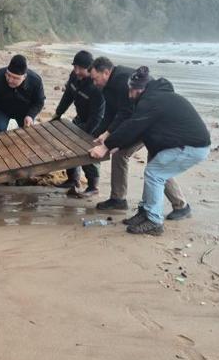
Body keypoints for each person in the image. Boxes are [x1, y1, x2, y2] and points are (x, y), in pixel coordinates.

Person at [90, 66, 211, 236]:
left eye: (131, 90)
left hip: (192, 146)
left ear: (141, 89)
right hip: (177, 142)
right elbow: (137, 129)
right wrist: (115, 144)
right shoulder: (153, 97)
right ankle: (145, 213)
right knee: (154, 169)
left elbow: (133, 126)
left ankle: (154, 221)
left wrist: (106, 146)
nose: (129, 94)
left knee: (154, 174)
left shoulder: (151, 102)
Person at [51, 50, 105, 195]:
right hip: (80, 117)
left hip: (95, 123)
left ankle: (93, 186)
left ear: (90, 69)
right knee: (68, 144)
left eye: (80, 68)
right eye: (75, 67)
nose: (76, 71)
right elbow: (67, 96)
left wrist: (84, 134)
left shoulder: (96, 87)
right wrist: (58, 114)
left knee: (87, 150)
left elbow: (97, 117)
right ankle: (73, 179)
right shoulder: (74, 77)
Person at [0, 54, 45, 139]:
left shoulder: (36, 81)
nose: (10, 80)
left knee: (26, 135)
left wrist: (30, 115)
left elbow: (39, 102)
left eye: (15, 78)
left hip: (24, 112)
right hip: (3, 110)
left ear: (24, 77)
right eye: (8, 75)